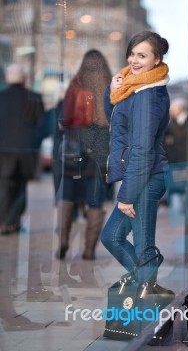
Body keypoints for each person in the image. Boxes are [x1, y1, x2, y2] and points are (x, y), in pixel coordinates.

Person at [101, 31, 170, 283]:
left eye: (142, 55)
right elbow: (118, 126)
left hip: (147, 177)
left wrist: (127, 195)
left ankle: (146, 294)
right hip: (143, 175)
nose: (134, 60)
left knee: (139, 245)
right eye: (132, 54)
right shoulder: (135, 88)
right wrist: (112, 92)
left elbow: (142, 149)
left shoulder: (147, 95)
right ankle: (145, 283)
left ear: (157, 60)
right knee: (113, 237)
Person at [55, 49, 112, 260]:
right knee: (95, 201)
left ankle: (62, 241)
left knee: (67, 196)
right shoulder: (110, 86)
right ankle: (89, 250)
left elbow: (62, 121)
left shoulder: (75, 85)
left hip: (74, 151)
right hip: (99, 154)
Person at [0, 64, 44, 235]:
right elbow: (42, 125)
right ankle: (14, 221)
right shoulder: (34, 97)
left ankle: (4, 222)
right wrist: (34, 141)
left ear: (6, 79)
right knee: (21, 186)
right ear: (24, 79)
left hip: (3, 150)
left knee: (3, 185)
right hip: (27, 150)